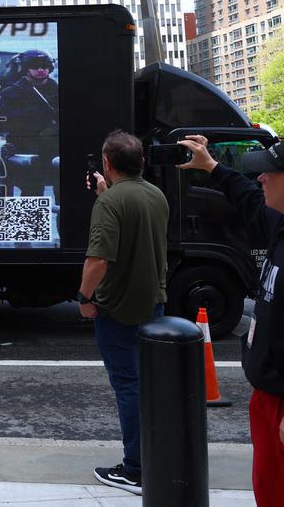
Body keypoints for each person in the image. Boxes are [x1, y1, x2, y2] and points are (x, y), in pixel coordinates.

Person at [176, 135, 284, 506]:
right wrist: (211, 166)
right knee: (273, 494)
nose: (260, 179)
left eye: (267, 173)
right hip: (271, 396)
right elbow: (246, 198)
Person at [77, 130, 168, 495]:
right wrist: (106, 192)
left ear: (107, 163)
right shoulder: (156, 196)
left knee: (128, 387)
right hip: (153, 303)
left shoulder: (110, 202)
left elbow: (98, 259)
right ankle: (157, 458)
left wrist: (83, 297)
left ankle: (135, 468)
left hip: (117, 308)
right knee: (148, 385)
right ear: (142, 161)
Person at [0, 50, 59, 197]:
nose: (40, 70)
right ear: (25, 68)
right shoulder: (11, 93)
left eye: (44, 66)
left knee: (62, 198)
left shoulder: (57, 90)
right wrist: (30, 117)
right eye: (35, 66)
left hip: (54, 152)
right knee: (31, 196)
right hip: (25, 151)